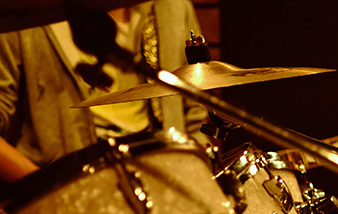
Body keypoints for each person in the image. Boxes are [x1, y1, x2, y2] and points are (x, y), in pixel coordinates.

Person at [0, 0, 209, 186]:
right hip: (66, 188)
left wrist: (196, 176)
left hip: (163, 178)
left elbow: (194, 115)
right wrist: (48, 191)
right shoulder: (22, 16)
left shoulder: (172, 6)